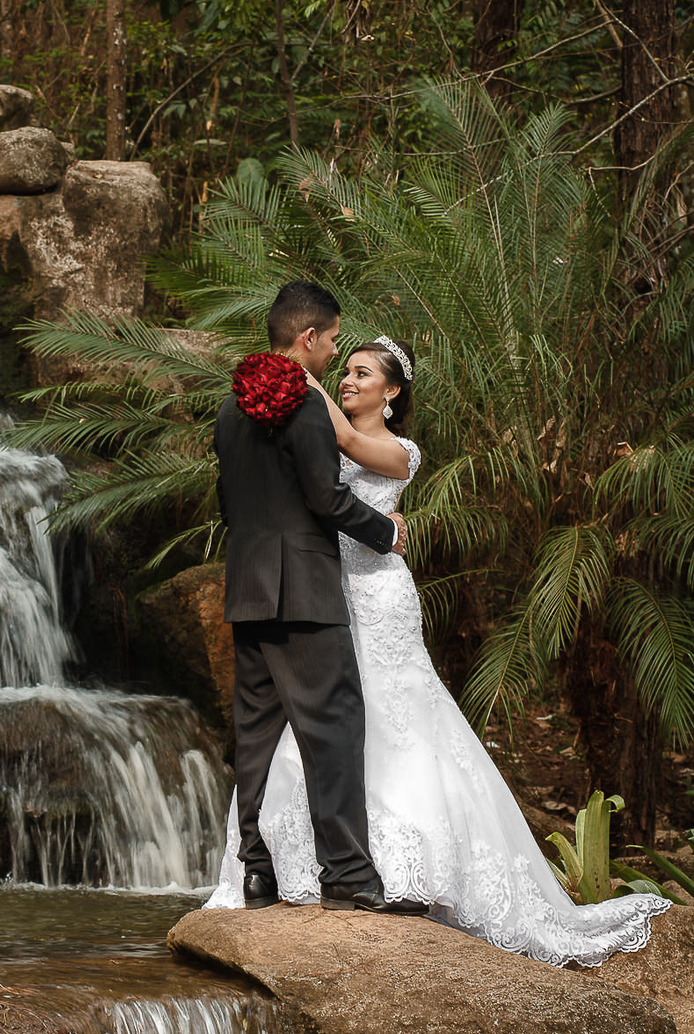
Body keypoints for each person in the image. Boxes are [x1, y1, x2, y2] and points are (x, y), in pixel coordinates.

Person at [207, 332, 670, 967]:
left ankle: (404, 867)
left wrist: (305, 386)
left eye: (363, 373)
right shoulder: (316, 427)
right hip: (322, 591)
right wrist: (304, 397)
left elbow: (349, 451)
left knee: (392, 719)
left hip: (376, 593)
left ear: (393, 392)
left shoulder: (399, 449)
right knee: (320, 724)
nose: (347, 379)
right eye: (344, 369)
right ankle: (309, 863)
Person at [214, 279, 429, 916]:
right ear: (308, 337)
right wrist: (387, 532)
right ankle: (348, 876)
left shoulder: (231, 406)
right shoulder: (304, 405)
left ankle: (257, 872)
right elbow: (326, 498)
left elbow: (228, 500)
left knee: (255, 733)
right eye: (333, 340)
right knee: (333, 724)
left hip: (247, 587)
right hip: (304, 589)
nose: (335, 352)